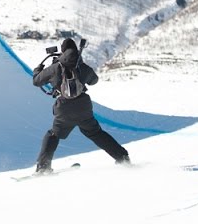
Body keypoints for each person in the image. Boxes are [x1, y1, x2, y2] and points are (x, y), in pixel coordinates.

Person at [31, 37, 130, 173]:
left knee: (53, 135)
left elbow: (36, 81)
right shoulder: (81, 66)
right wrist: (81, 67)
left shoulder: (55, 68)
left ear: (62, 51)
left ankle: (43, 167)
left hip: (64, 110)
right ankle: (122, 157)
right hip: (83, 108)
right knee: (96, 133)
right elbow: (94, 80)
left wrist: (38, 70)